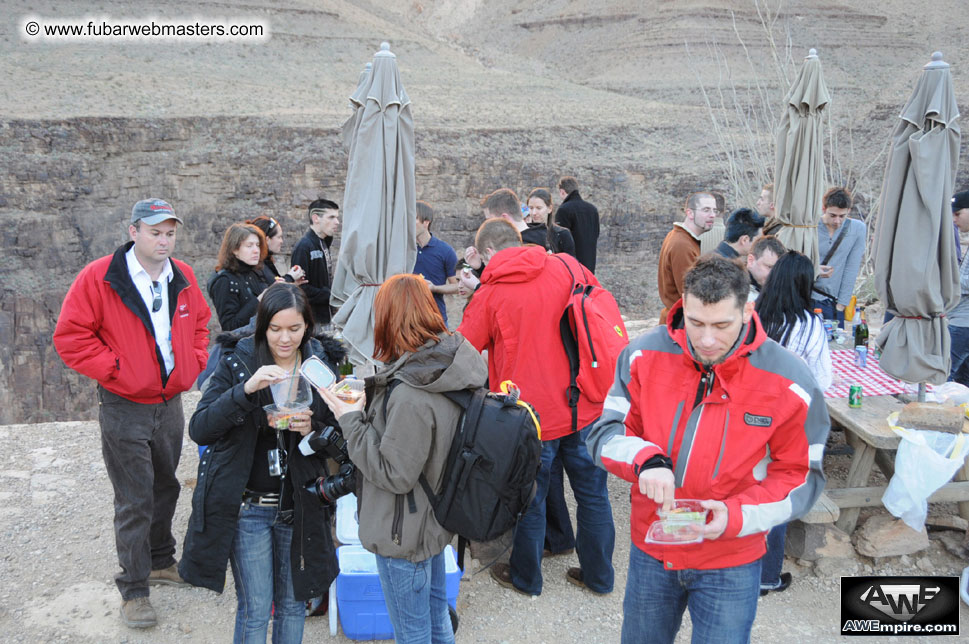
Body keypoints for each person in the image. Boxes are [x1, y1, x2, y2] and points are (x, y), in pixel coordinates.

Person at [587, 254, 829, 644]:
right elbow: (604, 433)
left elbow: (801, 476)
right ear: (683, 304)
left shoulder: (790, 379)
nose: (707, 339)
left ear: (748, 311)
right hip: (654, 544)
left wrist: (736, 516)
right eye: (696, 323)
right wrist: (645, 460)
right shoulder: (642, 355)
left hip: (731, 555)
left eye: (722, 325)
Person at [53, 198, 210, 629]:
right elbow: (70, 336)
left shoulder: (184, 276)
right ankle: (134, 589)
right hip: (124, 405)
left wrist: (193, 362)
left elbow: (200, 323)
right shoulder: (101, 277)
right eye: (156, 232)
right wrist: (118, 371)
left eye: (170, 232)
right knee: (134, 498)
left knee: (166, 486)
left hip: (169, 402)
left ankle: (161, 562)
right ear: (134, 231)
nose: (164, 240)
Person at [319, 274, 488, 644]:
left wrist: (348, 419)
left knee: (412, 634)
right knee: (436, 621)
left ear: (388, 319)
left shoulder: (413, 392)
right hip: (433, 520)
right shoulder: (448, 365)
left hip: (403, 531)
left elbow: (394, 473)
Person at [457, 218, 615, 597]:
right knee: (593, 494)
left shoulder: (490, 294)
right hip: (584, 403)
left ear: (490, 252)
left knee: (530, 499)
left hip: (529, 418)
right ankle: (599, 577)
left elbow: (462, 352)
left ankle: (527, 579)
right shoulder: (568, 265)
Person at [180, 282, 340, 643]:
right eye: (275, 329)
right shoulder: (239, 361)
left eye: (295, 329)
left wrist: (312, 428)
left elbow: (342, 438)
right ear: (262, 325)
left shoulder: (319, 365)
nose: (285, 339)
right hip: (249, 507)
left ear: (308, 327)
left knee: (293, 604)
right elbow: (200, 428)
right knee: (255, 610)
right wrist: (246, 391)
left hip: (300, 504)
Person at [754, 250, 832, 597]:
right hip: (788, 422)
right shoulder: (810, 325)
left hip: (748, 415)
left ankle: (737, 566)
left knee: (746, 487)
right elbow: (822, 381)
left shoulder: (753, 312)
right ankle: (767, 576)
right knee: (778, 490)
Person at [526, 187, 577, 556]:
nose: (533, 212)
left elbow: (573, 280)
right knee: (554, 469)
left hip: (557, 377)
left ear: (550, 209)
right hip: (559, 378)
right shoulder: (525, 236)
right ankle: (559, 537)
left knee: (547, 469)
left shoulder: (562, 238)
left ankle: (554, 539)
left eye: (538, 207)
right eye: (529, 208)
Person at [656, 191, 718, 324]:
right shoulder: (682, 245)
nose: (712, 215)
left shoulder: (681, 238)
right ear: (690, 213)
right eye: (706, 210)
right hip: (679, 324)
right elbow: (691, 295)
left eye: (714, 210)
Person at [813, 187, 866, 328]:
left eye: (842, 216)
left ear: (848, 211)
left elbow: (852, 268)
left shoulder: (857, 229)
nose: (837, 221)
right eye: (832, 215)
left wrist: (841, 305)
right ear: (824, 209)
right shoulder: (810, 226)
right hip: (807, 297)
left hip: (833, 302)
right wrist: (814, 269)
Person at [464, 189, 543, 276]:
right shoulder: (543, 235)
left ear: (504, 218)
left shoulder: (519, 247)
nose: (487, 226)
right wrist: (479, 267)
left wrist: (476, 285)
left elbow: (508, 284)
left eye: (490, 220)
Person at [208, 223, 271, 332]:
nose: (256, 250)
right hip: (241, 346)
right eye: (249, 245)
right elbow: (230, 326)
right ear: (235, 249)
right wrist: (259, 301)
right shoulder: (224, 281)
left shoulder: (255, 271)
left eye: (257, 245)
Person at [291, 199, 341, 328]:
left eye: (337, 217)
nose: (337, 222)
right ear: (316, 218)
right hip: (313, 320)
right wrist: (329, 294)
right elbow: (300, 288)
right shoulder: (304, 247)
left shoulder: (324, 243)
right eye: (331, 217)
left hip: (325, 316)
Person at [414, 201, 460, 327]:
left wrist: (434, 288)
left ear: (426, 222)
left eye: (414, 218)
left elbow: (457, 286)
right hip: (407, 321)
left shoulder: (445, 250)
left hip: (436, 321)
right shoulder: (403, 250)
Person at [946, 191, 969, 386]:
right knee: (962, 384)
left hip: (964, 322)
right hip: (958, 317)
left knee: (942, 377)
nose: (954, 220)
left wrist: (949, 281)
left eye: (958, 213)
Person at [555, 176, 600, 271]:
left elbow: (559, 240)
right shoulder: (593, 209)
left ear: (562, 191)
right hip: (589, 266)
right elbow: (596, 234)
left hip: (571, 267)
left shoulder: (564, 210)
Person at [247, 215, 306, 285]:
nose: (281, 241)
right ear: (267, 240)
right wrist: (289, 277)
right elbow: (271, 291)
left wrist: (292, 284)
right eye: (279, 237)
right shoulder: (257, 266)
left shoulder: (266, 262)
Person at [527, 188, 576, 256]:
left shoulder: (562, 234)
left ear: (549, 208)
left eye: (539, 208)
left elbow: (570, 263)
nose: (534, 213)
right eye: (531, 208)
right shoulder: (523, 233)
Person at [746, 235, 786, 302]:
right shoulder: (735, 292)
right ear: (751, 261)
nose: (774, 274)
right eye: (769, 267)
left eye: (778, 269)